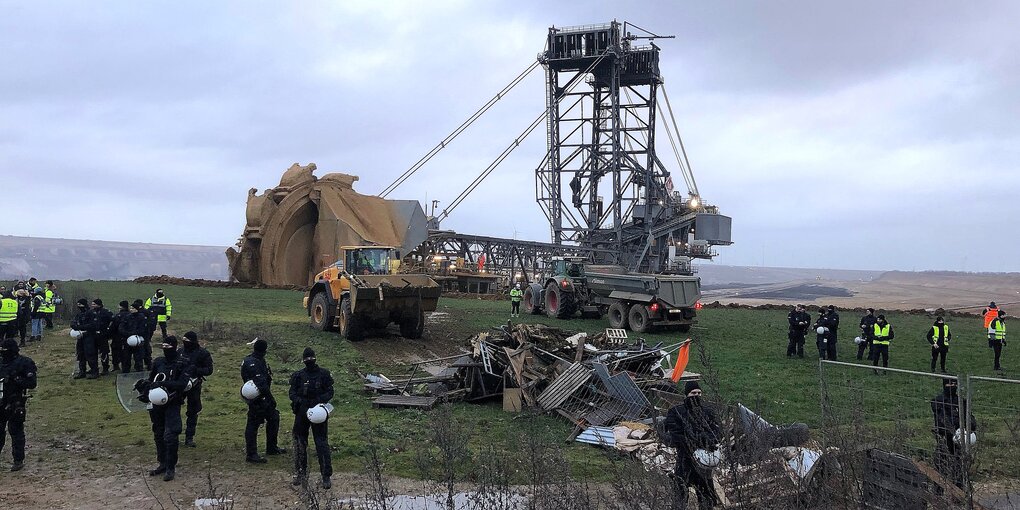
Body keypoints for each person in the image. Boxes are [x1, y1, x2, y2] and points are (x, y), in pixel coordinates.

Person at [135, 335, 194, 482]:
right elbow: (152, 378)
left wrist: (165, 384)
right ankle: (162, 463)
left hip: (173, 403)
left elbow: (181, 384)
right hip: (156, 403)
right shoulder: (159, 362)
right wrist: (145, 386)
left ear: (174, 347)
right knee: (158, 433)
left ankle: (170, 467)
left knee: (171, 435)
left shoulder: (183, 364)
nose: (166, 350)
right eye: (164, 347)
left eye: (168, 347)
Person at [663, 381, 722, 510]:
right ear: (686, 394)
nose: (696, 395)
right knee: (680, 494)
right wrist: (698, 440)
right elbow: (675, 434)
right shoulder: (676, 412)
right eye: (693, 393)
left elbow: (716, 432)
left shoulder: (708, 412)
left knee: (707, 496)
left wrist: (708, 442)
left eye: (699, 393)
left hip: (704, 460)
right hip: (685, 459)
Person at [289, 347, 334, 489]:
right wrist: (301, 401)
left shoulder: (323, 374)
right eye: (307, 359)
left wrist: (317, 400)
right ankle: (303, 473)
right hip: (305, 411)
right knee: (301, 443)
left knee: (319, 443)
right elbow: (292, 393)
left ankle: (324, 475)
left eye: (310, 359)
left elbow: (330, 391)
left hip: (318, 411)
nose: (309, 361)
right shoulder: (299, 376)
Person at [241, 338, 286, 463]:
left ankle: (271, 447)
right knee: (253, 424)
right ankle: (251, 454)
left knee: (274, 418)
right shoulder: (253, 363)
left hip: (260, 396)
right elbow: (261, 384)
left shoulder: (255, 359)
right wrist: (271, 399)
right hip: (257, 398)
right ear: (264, 350)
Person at [931, 378, 977, 488]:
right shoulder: (938, 401)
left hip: (960, 439)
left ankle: (959, 492)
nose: (952, 386)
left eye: (954, 383)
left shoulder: (961, 401)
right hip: (945, 437)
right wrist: (956, 427)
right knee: (941, 465)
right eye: (949, 383)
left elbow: (971, 419)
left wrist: (968, 428)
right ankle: (938, 493)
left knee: (959, 466)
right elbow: (942, 420)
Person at [0, 339, 37, 472]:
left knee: (15, 432)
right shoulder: (1, 363)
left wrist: (16, 379)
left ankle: (18, 460)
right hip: (1, 402)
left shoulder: (24, 363)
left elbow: (32, 383)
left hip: (15, 402)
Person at [180, 331, 213, 448]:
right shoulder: (180, 351)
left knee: (193, 411)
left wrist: (196, 371)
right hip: (179, 384)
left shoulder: (203, 353)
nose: (185, 343)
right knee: (173, 407)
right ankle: (173, 433)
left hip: (194, 385)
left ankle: (189, 437)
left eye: (187, 341)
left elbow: (209, 370)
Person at [120, 300, 149, 373]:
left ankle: (139, 371)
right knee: (126, 357)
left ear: (136, 309)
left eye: (133, 308)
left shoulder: (142, 317)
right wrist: (126, 333)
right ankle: (125, 371)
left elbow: (143, 329)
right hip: (127, 340)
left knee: (138, 357)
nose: (131, 310)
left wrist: (134, 334)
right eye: (131, 308)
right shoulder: (127, 317)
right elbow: (121, 327)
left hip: (138, 340)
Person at [70, 299, 96, 379]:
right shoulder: (79, 314)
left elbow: (92, 325)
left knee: (89, 354)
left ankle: (94, 371)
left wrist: (80, 327)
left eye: (80, 304)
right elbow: (73, 321)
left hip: (89, 336)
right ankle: (82, 371)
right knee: (80, 354)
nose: (79, 306)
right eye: (78, 304)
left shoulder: (90, 313)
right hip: (80, 336)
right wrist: (74, 325)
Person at [90, 299, 114, 375]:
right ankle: (94, 368)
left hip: (103, 335)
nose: (92, 306)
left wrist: (108, 331)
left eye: (94, 304)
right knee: (93, 352)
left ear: (99, 304)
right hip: (93, 335)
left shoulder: (106, 312)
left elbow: (113, 321)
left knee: (104, 352)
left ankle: (105, 368)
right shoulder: (91, 312)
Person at [109, 301, 131, 372]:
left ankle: (116, 366)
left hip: (117, 336)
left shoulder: (118, 316)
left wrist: (109, 334)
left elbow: (113, 327)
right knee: (126, 352)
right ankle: (125, 367)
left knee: (115, 351)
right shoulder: (130, 315)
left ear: (121, 306)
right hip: (128, 337)